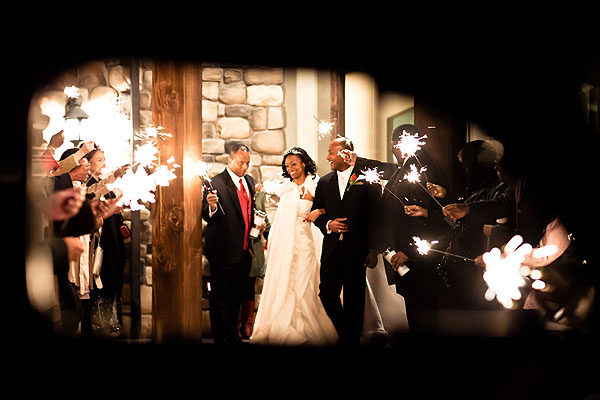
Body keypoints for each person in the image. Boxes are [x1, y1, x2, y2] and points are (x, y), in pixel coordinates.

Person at [346, 124, 451, 334]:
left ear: (403, 143)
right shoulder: (407, 166)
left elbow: (435, 219)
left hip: (419, 262)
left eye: (394, 144)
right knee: (416, 316)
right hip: (406, 260)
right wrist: (358, 162)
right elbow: (385, 169)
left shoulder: (422, 169)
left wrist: (409, 252)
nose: (393, 149)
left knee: (424, 320)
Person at [250, 147, 338, 346]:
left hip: (305, 242)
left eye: (294, 164)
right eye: (287, 165)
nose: (290, 169)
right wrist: (261, 187)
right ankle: (287, 325)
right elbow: (271, 188)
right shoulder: (286, 187)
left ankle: (309, 326)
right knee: (286, 280)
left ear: (304, 163)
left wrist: (318, 211)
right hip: (284, 244)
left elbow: (330, 207)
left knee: (305, 281)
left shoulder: (316, 185)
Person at [311, 137, 382, 346]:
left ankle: (350, 342)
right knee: (326, 294)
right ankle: (347, 334)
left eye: (331, 152)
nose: (327, 157)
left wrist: (373, 249)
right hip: (332, 250)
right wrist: (328, 224)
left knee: (354, 299)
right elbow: (317, 214)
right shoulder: (324, 182)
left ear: (345, 153)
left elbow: (377, 215)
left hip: (358, 250)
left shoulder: (369, 178)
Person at [202, 142, 265, 344]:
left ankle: (232, 335)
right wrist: (211, 206)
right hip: (222, 250)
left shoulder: (250, 181)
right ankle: (221, 338)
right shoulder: (216, 183)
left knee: (237, 296)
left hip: (244, 251)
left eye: (247, 163)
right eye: (241, 163)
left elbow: (248, 210)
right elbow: (206, 214)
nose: (245, 167)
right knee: (220, 298)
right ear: (230, 160)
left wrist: (258, 224)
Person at [238, 182, 271, 340]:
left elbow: (264, 216)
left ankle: (247, 324)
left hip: (254, 246)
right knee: (235, 287)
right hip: (236, 245)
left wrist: (267, 229)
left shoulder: (258, 195)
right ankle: (235, 324)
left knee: (249, 286)